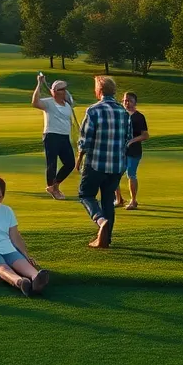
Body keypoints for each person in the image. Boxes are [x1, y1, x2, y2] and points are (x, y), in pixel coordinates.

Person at [74, 76, 132, 249]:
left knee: (86, 195)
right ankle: (106, 239)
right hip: (117, 166)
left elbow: (85, 140)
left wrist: (79, 158)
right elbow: (128, 138)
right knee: (108, 199)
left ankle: (101, 222)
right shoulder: (123, 112)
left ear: (99, 91)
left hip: (96, 163)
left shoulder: (93, 110)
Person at [31, 72, 77, 199]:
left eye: (64, 89)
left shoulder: (67, 104)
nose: (64, 91)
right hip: (51, 135)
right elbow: (35, 103)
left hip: (64, 136)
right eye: (62, 89)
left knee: (70, 163)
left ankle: (54, 185)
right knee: (52, 163)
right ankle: (52, 187)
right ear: (56, 91)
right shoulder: (49, 103)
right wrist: (39, 84)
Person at [114, 91, 149, 209]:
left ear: (135, 103)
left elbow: (145, 135)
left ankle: (133, 201)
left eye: (129, 101)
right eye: (124, 100)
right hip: (120, 150)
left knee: (131, 174)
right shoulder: (120, 115)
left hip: (133, 151)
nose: (126, 103)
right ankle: (119, 199)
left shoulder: (139, 117)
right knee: (115, 174)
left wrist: (131, 141)